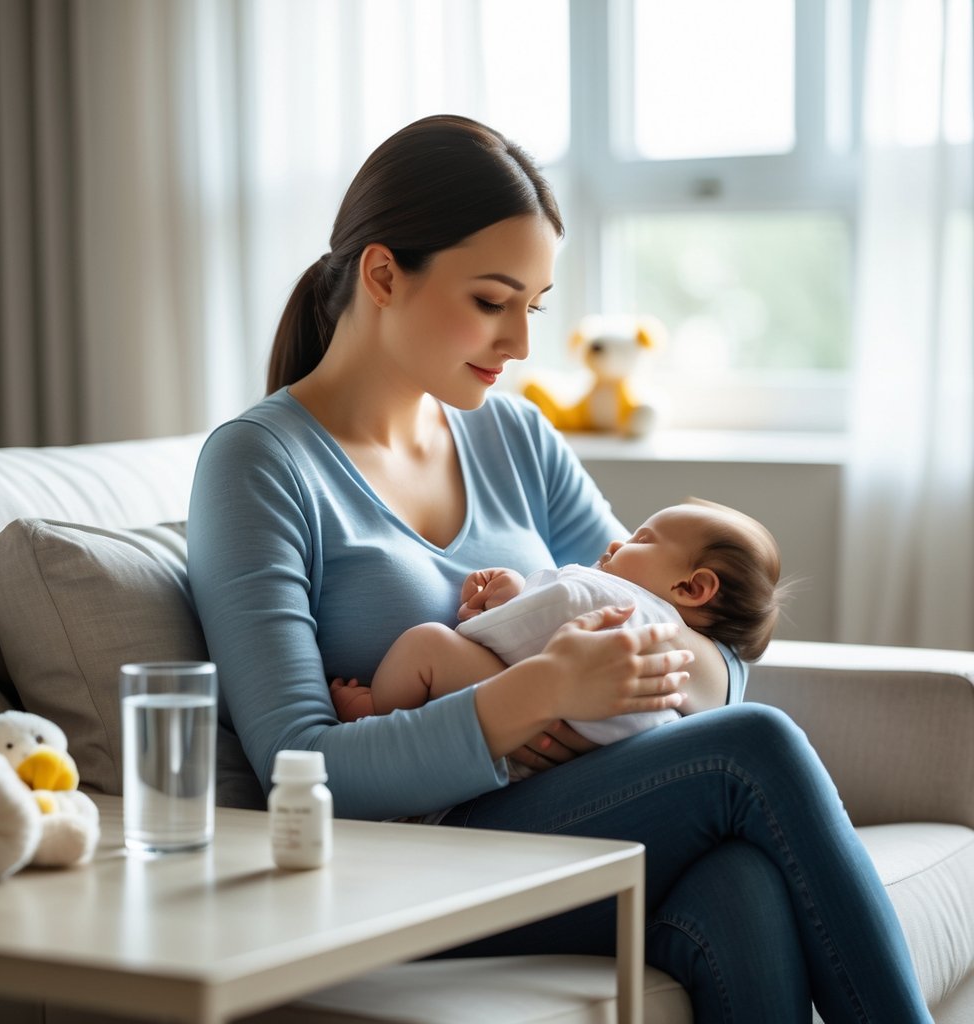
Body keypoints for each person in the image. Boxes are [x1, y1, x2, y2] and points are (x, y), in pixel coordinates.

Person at [187, 114, 931, 1022]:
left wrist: (605, 684)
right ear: (383, 275)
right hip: (409, 852)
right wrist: (532, 696)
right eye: (493, 301)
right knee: (758, 747)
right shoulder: (259, 466)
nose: (520, 345)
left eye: (532, 307)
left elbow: (708, 655)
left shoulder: (513, 434)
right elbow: (301, 767)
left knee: (745, 890)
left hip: (557, 815)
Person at [332, 498, 784, 754]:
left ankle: (380, 709)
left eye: (641, 539)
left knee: (426, 646)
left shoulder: (621, 604)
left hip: (541, 739)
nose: (616, 541)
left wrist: (494, 610)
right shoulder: (660, 634)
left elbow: (553, 609)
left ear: (690, 588)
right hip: (555, 749)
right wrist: (514, 595)